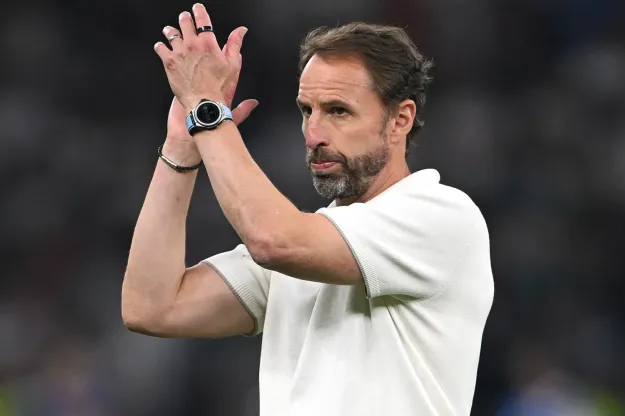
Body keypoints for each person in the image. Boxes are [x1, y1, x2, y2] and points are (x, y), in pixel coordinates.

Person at [121, 3, 494, 415]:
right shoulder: (310, 240)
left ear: (400, 119)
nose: (313, 133)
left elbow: (274, 240)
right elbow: (151, 307)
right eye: (306, 111)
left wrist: (208, 112)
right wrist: (181, 147)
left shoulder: (441, 216)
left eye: (338, 111)